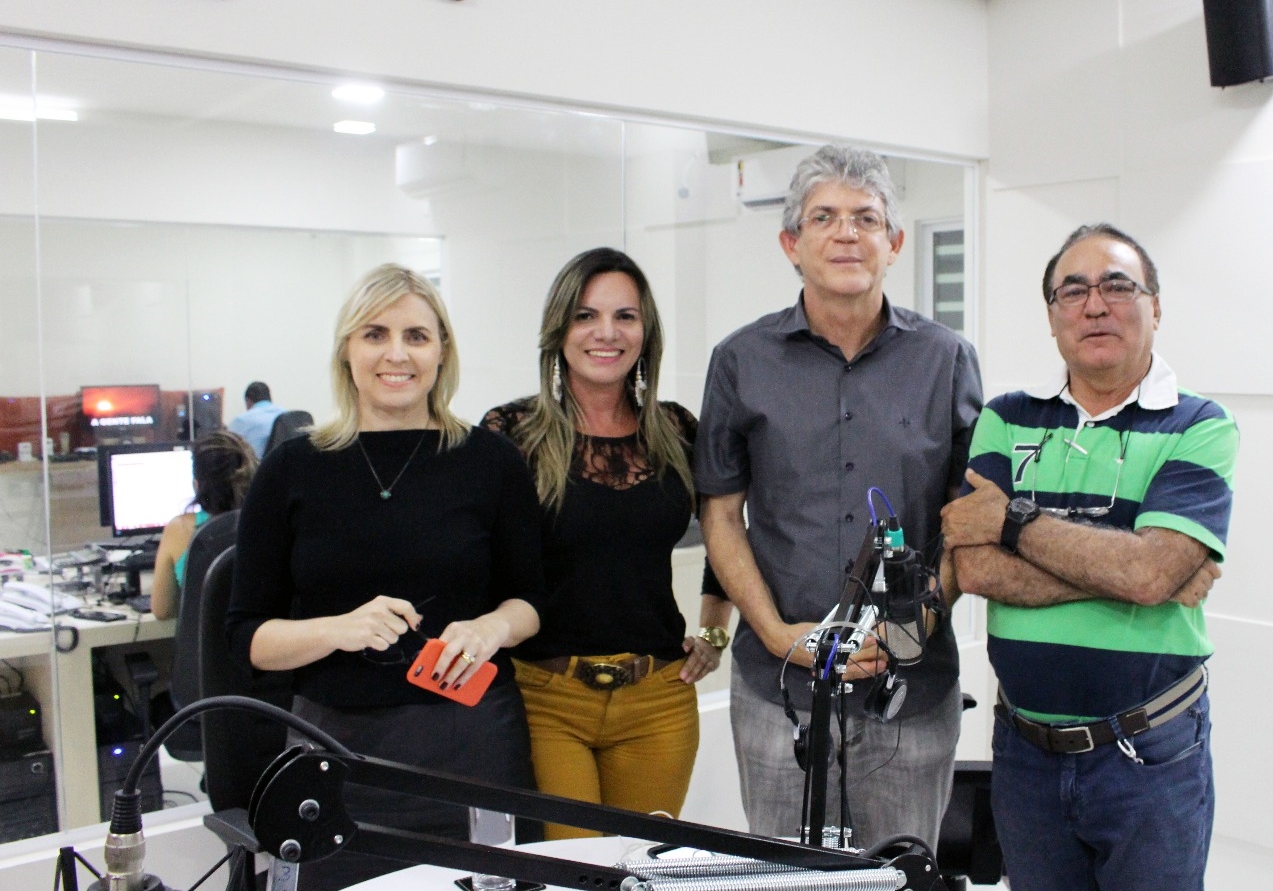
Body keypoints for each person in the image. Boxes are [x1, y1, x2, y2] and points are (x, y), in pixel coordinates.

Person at [696, 144, 983, 848]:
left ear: (895, 243)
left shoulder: (947, 359)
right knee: (783, 880)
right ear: (791, 244)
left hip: (910, 693)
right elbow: (721, 516)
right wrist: (778, 634)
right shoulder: (739, 361)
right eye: (823, 217)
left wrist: (913, 628)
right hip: (778, 692)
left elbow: (966, 522)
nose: (846, 233)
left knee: (897, 877)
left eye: (866, 218)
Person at [939, 223, 1238, 891]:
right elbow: (977, 568)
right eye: (1072, 291)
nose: (1095, 305)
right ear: (1052, 317)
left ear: (1155, 307)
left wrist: (1013, 520)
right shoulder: (1007, 417)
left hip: (1150, 755)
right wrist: (1134, 567)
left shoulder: (1199, 425)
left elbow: (1148, 572)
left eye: (1118, 286)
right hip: (1026, 755)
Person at [227, 264, 544, 891]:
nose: (396, 354)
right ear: (347, 350)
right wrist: (338, 629)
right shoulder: (292, 468)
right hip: (334, 758)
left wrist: (492, 628)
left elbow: (532, 601)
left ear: (442, 351)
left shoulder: (491, 461)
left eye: (416, 336)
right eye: (375, 334)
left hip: (475, 750)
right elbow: (247, 638)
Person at [480, 247, 732, 840]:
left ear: (646, 332)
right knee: (572, 872)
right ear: (559, 329)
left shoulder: (677, 430)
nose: (607, 333)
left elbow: (728, 534)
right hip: (544, 698)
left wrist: (716, 631)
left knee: (639, 872)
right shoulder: (511, 433)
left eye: (625, 316)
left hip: (659, 700)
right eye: (586, 316)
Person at [149, 429, 256, 621]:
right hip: (259, 639)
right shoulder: (268, 525)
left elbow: (162, 610)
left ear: (197, 485)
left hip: (201, 641)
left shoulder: (180, 529)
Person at [228, 381, 287, 457]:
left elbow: (226, 447)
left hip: (258, 463)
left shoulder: (242, 420)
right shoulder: (286, 414)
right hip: (285, 462)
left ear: (248, 400)